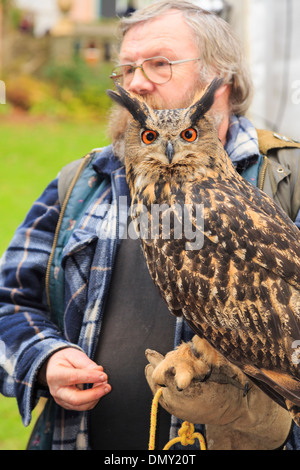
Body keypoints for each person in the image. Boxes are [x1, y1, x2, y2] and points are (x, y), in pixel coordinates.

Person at [0, 1, 300, 451]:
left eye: (159, 64)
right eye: (126, 69)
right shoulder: (81, 183)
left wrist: (266, 409)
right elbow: (9, 301)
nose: (137, 81)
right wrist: (43, 359)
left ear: (221, 78)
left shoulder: (290, 178)